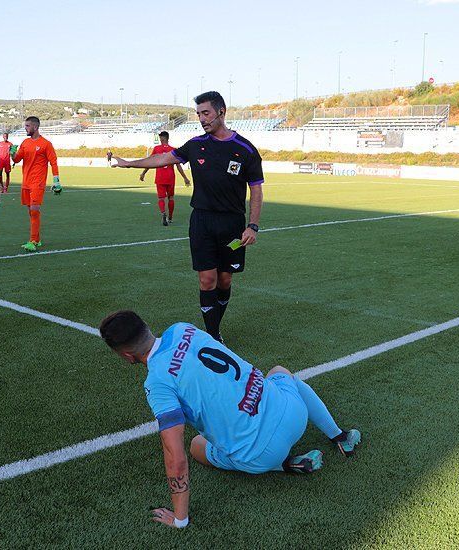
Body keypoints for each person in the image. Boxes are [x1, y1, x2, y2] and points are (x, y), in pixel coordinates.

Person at [99, 310, 360, 529]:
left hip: (263, 454)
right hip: (294, 414)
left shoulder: (157, 383)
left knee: (196, 446)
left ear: (126, 356)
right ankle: (340, 436)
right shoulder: (182, 328)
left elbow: (175, 456)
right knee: (280, 372)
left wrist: (180, 519)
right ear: (146, 327)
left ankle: (285, 465)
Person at [110, 92, 263, 342]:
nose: (202, 119)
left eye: (206, 113)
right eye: (198, 114)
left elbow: (256, 188)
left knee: (224, 280)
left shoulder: (245, 149)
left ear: (221, 112)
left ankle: (216, 325)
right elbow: (162, 158)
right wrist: (129, 164)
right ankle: (213, 335)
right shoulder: (195, 145)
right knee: (207, 280)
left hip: (232, 224)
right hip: (201, 221)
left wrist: (252, 226)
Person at [11, 116, 60, 252]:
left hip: (37, 183)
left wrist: (56, 181)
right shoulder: (25, 142)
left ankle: (32, 241)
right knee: (31, 211)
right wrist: (12, 154)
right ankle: (37, 240)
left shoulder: (46, 144)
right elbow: (17, 159)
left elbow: (53, 162)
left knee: (34, 210)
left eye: (27, 126)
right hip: (26, 182)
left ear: (35, 127)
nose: (25, 128)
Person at [139, 131, 190, 225]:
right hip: (170, 178)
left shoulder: (157, 149)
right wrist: (185, 178)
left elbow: (150, 162)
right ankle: (170, 217)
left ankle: (163, 213)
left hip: (160, 177)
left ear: (162, 138)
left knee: (161, 199)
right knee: (171, 198)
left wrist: (143, 173)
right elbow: (178, 166)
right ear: (168, 138)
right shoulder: (173, 150)